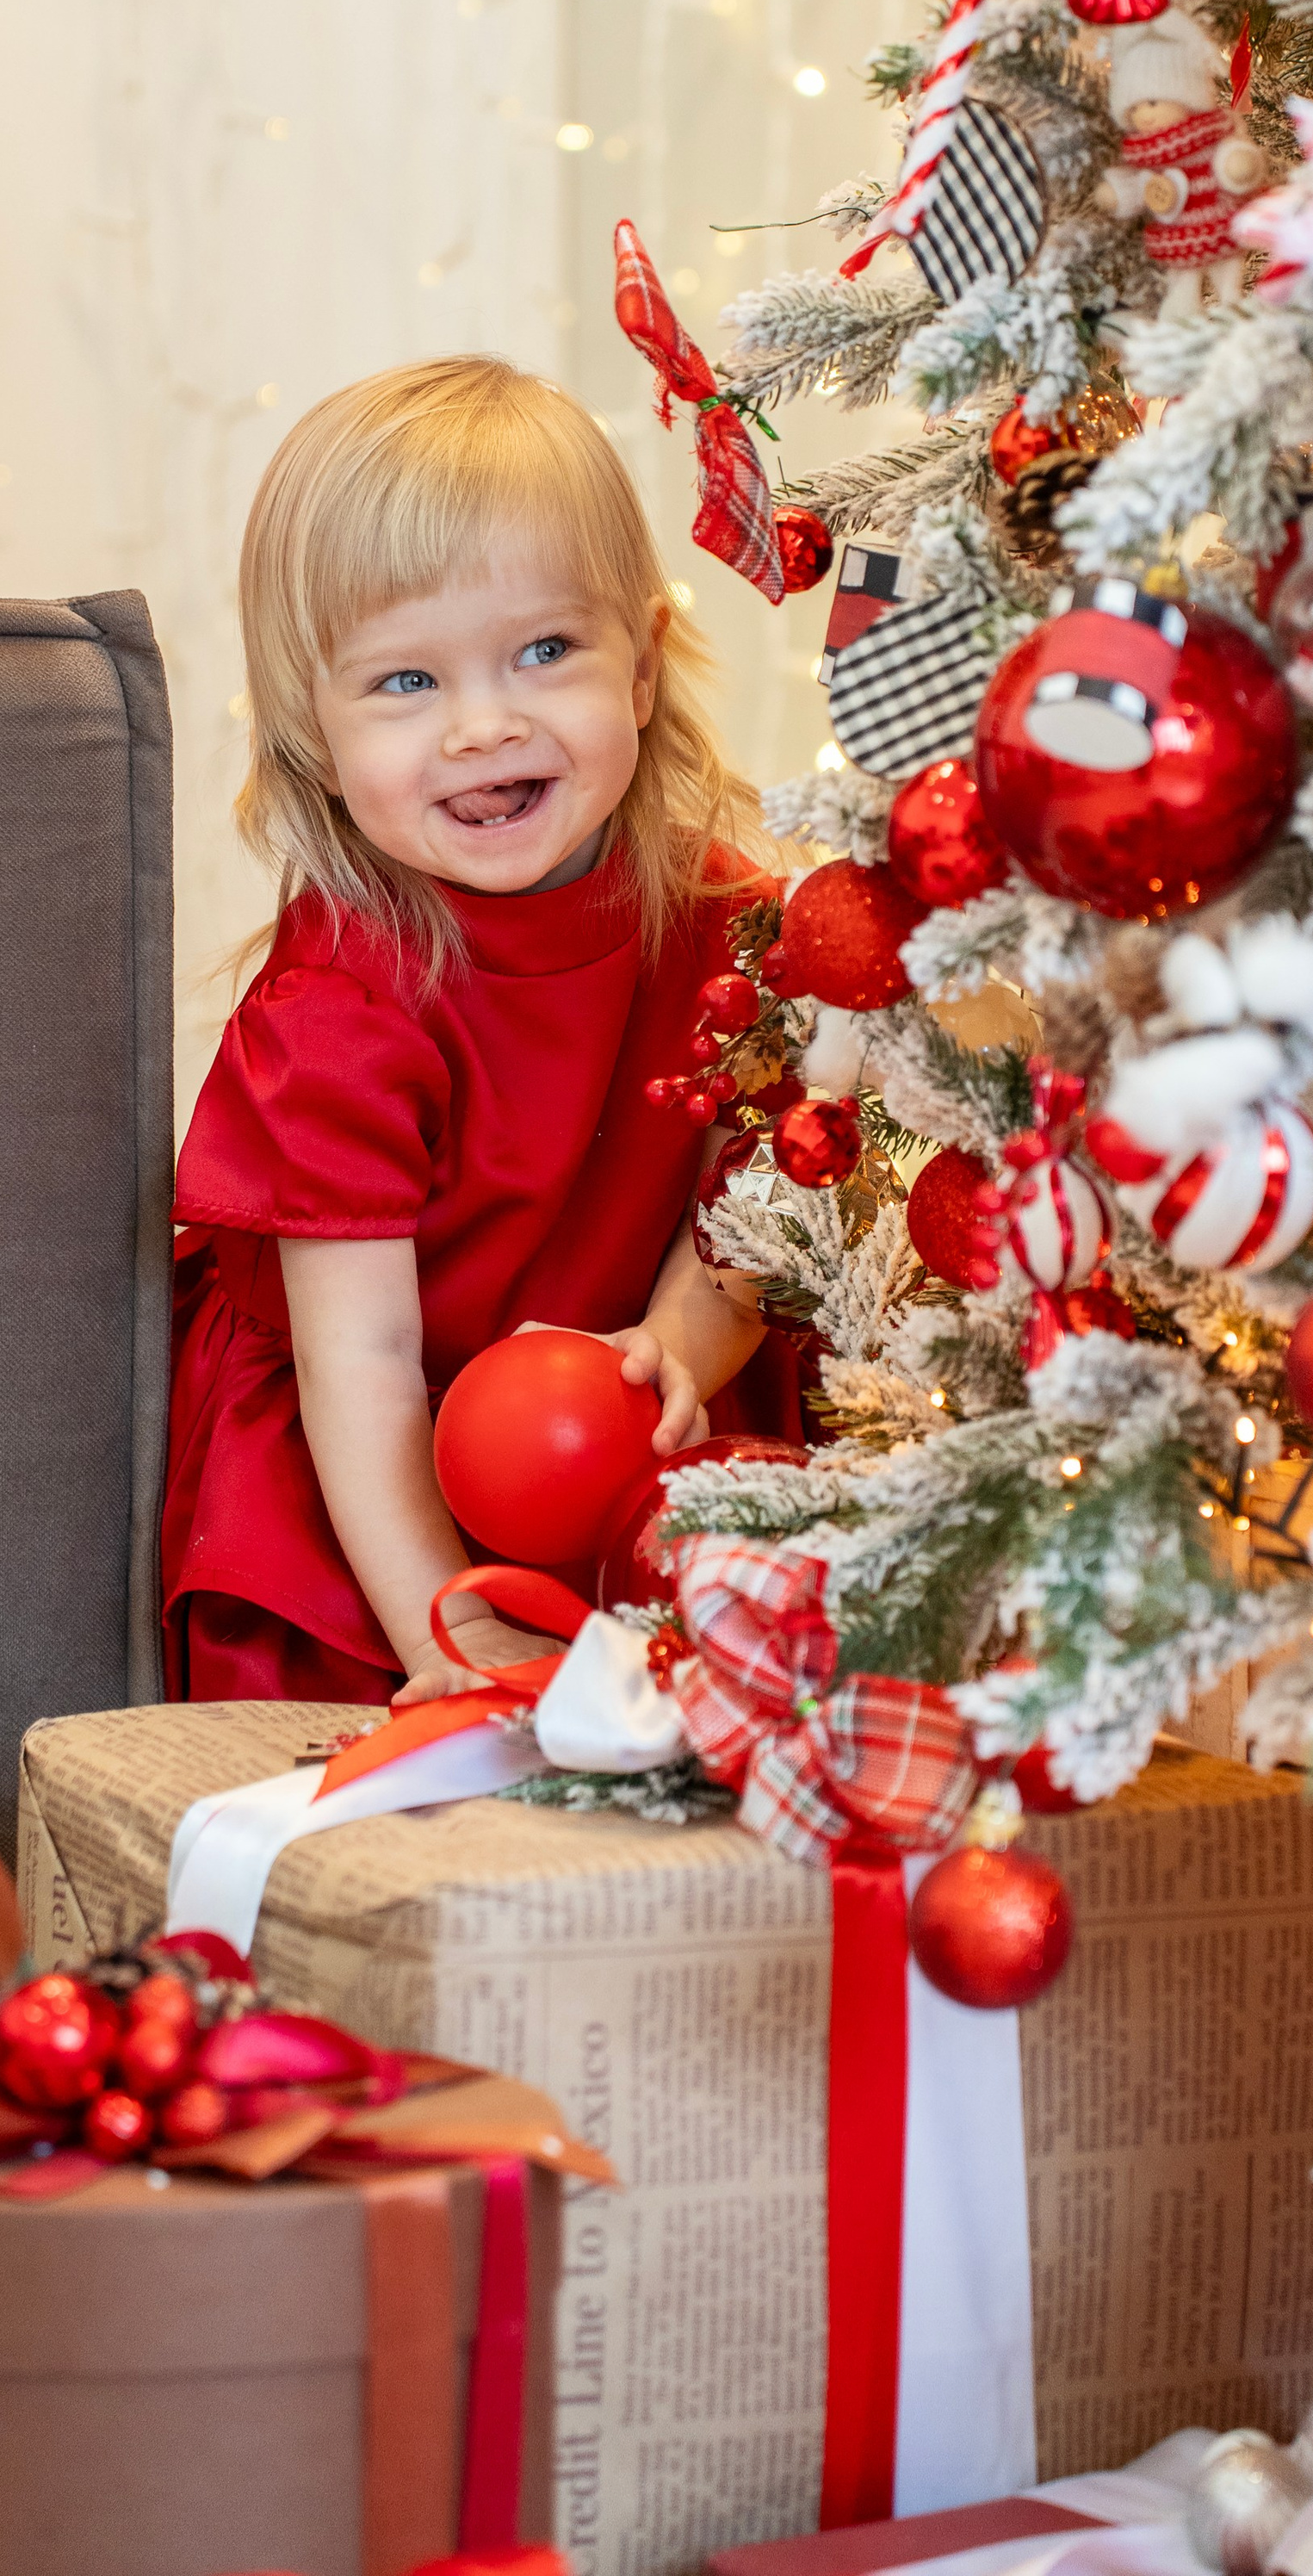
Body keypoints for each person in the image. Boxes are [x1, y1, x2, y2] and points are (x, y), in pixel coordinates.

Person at [163, 356, 788, 1707]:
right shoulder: (347, 1000)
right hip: (366, 1459)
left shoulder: (736, 930)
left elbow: (748, 1221)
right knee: (384, 1781)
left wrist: (672, 1359)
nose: (485, 724)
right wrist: (447, 1626)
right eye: (404, 684)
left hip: (601, 1413)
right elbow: (363, 1361)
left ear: (642, 670)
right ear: (315, 742)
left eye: (546, 652)